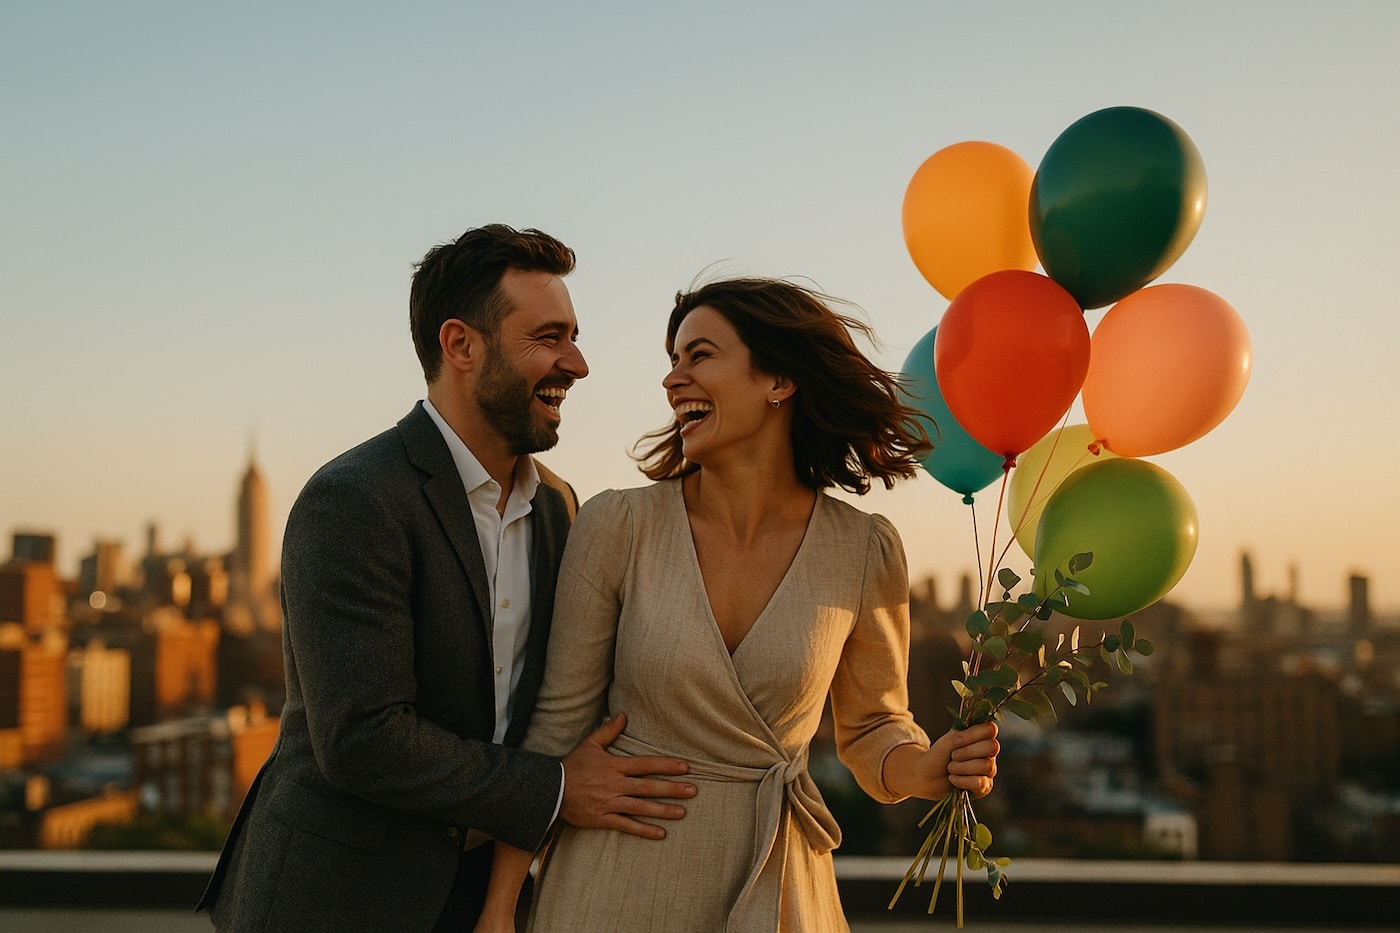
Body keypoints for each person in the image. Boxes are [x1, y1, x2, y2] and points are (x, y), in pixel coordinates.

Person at [197, 225, 695, 933]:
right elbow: (363, 736)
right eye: (548, 337)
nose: (577, 363)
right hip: (337, 900)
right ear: (461, 345)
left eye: (574, 336)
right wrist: (554, 788)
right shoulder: (354, 498)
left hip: (483, 898)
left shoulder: (560, 506)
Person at [475, 277, 1001, 932]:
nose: (673, 380)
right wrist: (498, 906)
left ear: (778, 379)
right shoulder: (618, 526)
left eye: (699, 355)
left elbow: (871, 728)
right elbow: (557, 727)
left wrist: (926, 766)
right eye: (672, 361)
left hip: (778, 891)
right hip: (611, 891)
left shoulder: (865, 549)